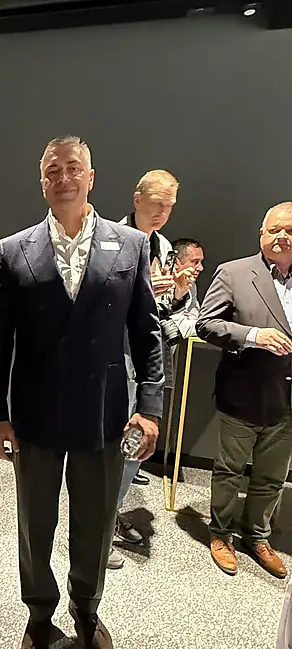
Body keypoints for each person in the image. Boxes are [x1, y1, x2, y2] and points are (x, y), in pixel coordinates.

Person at [0, 135, 164, 649]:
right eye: (52, 170)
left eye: (73, 168)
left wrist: (149, 407)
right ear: (42, 182)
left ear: (91, 177)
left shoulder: (130, 245)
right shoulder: (14, 249)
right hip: (35, 414)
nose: (63, 178)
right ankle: (39, 613)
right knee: (34, 523)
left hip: (103, 412)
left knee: (95, 520)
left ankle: (87, 607)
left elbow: (146, 333)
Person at [196, 202, 292, 579]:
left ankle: (257, 536)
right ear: (261, 234)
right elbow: (206, 324)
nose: (282, 236)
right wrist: (253, 335)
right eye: (275, 229)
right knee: (229, 470)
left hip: (287, 402)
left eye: (290, 230)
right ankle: (220, 534)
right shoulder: (234, 272)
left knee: (273, 476)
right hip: (245, 394)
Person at [109, 171, 196, 569]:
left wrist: (176, 295)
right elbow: (97, 299)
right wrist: (142, 288)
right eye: (157, 203)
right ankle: (97, 527)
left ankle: (109, 515)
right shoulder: (109, 238)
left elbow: (166, 313)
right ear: (137, 198)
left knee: (137, 442)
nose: (163, 212)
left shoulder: (163, 247)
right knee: (111, 444)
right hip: (114, 356)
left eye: (169, 206)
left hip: (147, 356)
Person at [169, 238, 205, 338]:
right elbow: (177, 329)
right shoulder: (160, 285)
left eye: (200, 262)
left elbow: (194, 318)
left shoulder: (191, 284)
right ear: (176, 262)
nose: (201, 268)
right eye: (195, 262)